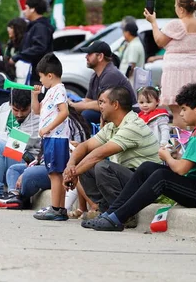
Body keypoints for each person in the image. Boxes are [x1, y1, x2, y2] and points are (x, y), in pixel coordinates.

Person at [86, 83, 196, 232]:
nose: (180, 114)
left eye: (184, 109)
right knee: (147, 167)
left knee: (161, 176)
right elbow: (194, 164)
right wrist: (175, 156)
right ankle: (111, 213)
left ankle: (118, 218)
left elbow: (181, 170)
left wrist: (167, 157)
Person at [63, 87, 160, 227]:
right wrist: (70, 166)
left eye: (102, 102)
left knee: (101, 166)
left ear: (115, 105)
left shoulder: (132, 126)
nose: (99, 106)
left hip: (145, 184)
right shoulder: (112, 126)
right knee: (88, 166)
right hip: (130, 179)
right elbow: (84, 146)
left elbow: (98, 154)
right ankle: (106, 212)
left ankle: (123, 216)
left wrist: (73, 173)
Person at [144, 0, 196, 129]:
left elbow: (159, 40)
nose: (175, 8)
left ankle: (180, 146)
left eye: (176, 6)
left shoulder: (176, 24)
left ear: (181, 9)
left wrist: (153, 22)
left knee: (178, 110)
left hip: (176, 69)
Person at [0, 107, 91, 210]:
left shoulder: (62, 123)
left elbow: (24, 141)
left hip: (56, 166)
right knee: (13, 169)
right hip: (38, 161)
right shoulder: (2, 108)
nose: (19, 114)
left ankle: (10, 196)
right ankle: (14, 195)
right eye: (15, 110)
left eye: (23, 110)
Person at [30, 53, 71, 221]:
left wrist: (47, 128)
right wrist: (34, 95)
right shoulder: (50, 91)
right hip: (51, 138)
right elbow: (37, 110)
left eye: (41, 77)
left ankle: (55, 208)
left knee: (55, 174)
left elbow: (64, 112)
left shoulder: (58, 90)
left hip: (56, 138)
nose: (41, 82)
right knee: (55, 173)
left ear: (50, 75)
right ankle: (59, 208)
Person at [69, 41, 136, 125]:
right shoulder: (95, 75)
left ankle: (88, 138)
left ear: (100, 56)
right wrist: (71, 105)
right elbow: (88, 100)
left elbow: (106, 105)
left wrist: (74, 106)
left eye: (89, 54)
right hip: (111, 111)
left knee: (87, 114)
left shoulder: (111, 74)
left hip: (126, 116)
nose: (86, 57)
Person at [8, 0, 55, 85]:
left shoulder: (40, 27)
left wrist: (18, 56)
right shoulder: (33, 26)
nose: (24, 11)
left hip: (40, 74)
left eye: (26, 8)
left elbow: (39, 47)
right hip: (34, 72)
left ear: (33, 9)